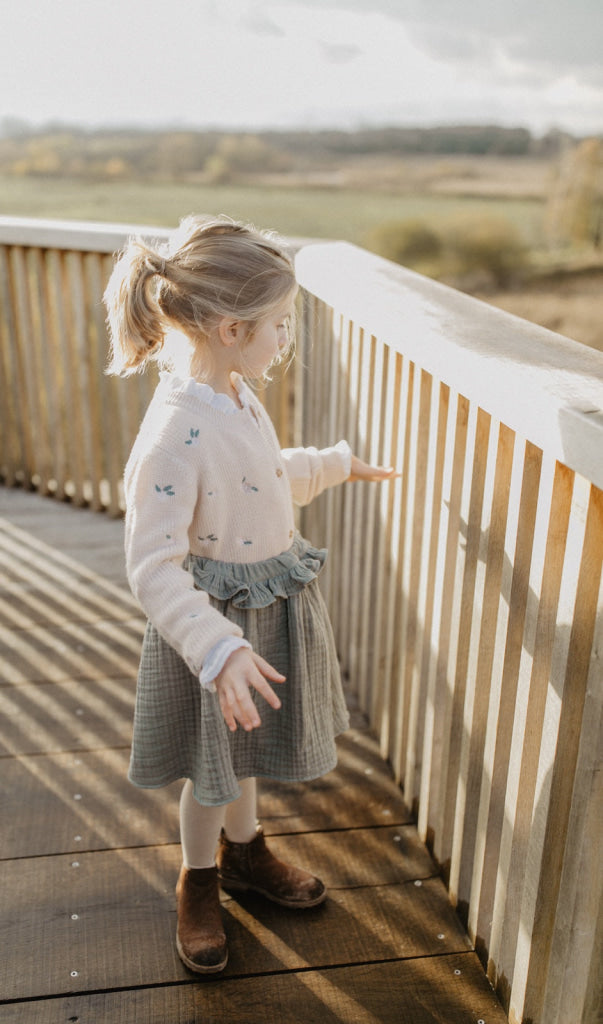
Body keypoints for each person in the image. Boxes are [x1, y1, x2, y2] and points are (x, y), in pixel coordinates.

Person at [103, 215, 398, 975]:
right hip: (217, 629)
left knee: (247, 753)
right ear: (232, 327)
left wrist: (331, 465)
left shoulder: (234, 393)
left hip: (265, 608)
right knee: (213, 769)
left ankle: (246, 852)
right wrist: (217, 648)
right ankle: (198, 879)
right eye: (279, 324)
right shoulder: (174, 432)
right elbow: (152, 566)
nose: (284, 337)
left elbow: (258, 478)